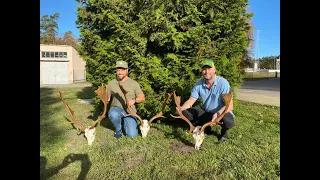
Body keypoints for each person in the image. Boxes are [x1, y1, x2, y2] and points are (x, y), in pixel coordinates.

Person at [179, 59, 235, 142]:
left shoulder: (223, 83)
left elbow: (230, 105)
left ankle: (223, 133)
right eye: (204, 69)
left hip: (221, 112)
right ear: (202, 71)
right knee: (186, 112)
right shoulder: (198, 84)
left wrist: (218, 114)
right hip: (206, 112)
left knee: (228, 121)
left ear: (214, 69)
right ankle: (206, 129)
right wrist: (181, 109)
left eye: (209, 69)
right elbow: (191, 100)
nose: (206, 72)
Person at [107, 60, 145, 139]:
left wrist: (134, 101)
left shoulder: (133, 83)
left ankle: (126, 122)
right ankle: (118, 130)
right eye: (118, 70)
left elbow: (142, 98)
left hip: (130, 110)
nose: (120, 72)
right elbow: (107, 96)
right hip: (116, 108)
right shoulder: (111, 83)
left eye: (122, 70)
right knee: (113, 114)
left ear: (127, 70)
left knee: (132, 135)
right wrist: (106, 98)